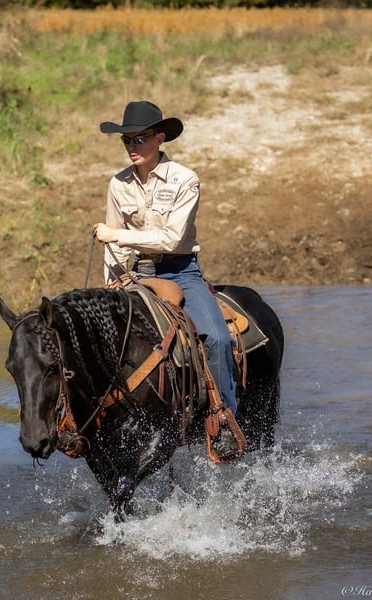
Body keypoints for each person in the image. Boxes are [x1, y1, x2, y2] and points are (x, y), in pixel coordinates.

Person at [93, 100, 239, 458]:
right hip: (136, 273)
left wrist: (118, 236)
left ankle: (224, 420)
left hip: (180, 271)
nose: (132, 146)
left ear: (159, 138)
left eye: (139, 139)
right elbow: (113, 249)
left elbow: (172, 239)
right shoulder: (118, 183)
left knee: (217, 338)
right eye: (126, 140)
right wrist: (113, 283)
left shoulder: (185, 179)